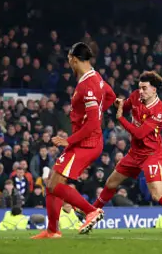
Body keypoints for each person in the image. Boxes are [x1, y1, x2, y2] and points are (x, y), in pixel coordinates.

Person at [93, 71, 162, 234]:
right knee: (111, 183)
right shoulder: (136, 95)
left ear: (154, 90)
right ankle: (91, 214)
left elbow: (139, 133)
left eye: (144, 88)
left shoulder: (159, 111)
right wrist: (118, 103)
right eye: (139, 88)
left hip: (151, 155)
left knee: (157, 194)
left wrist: (121, 118)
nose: (140, 91)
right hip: (134, 153)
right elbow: (126, 105)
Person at [32, 42, 115, 239]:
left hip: (86, 142)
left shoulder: (88, 85)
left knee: (55, 185)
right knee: (52, 182)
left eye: (69, 59)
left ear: (74, 59)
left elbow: (94, 124)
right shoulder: (96, 78)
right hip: (86, 140)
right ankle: (52, 230)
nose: (69, 62)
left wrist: (69, 140)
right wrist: (97, 113)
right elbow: (111, 97)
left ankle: (91, 211)